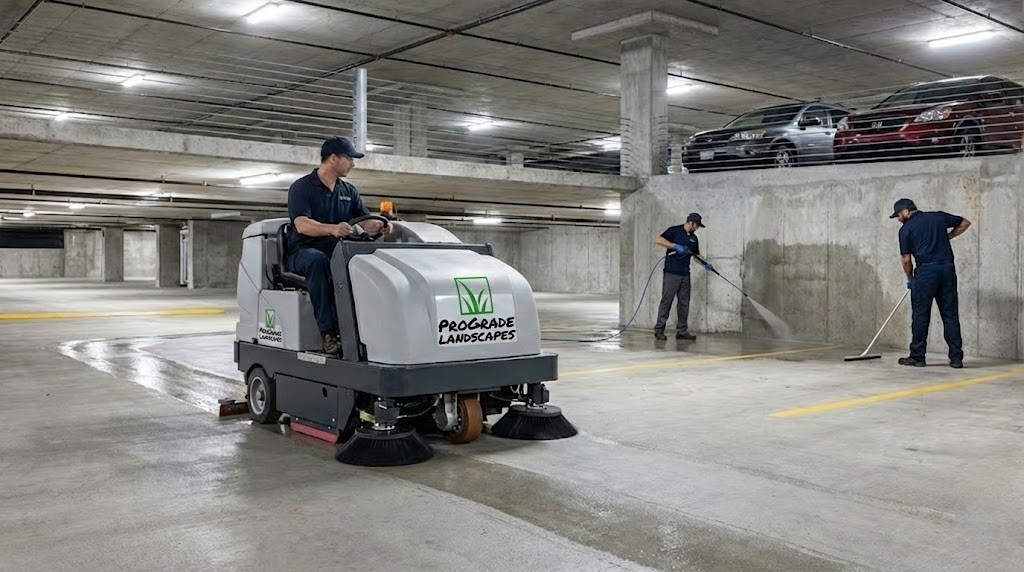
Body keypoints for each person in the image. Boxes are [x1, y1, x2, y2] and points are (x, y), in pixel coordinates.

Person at [285, 136, 389, 354]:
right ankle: (329, 333)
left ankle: (366, 327)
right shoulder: (302, 187)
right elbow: (302, 224)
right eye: (349, 159)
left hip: (337, 251)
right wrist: (332, 229)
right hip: (303, 252)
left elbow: (366, 221)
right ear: (334, 158)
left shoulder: (348, 191)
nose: (353, 164)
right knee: (319, 262)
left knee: (363, 263)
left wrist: (382, 225)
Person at [890, 198, 971, 368]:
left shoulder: (906, 229)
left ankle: (918, 357)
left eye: (898, 215)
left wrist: (910, 278)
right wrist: (948, 236)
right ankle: (956, 358)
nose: (898, 219)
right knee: (950, 315)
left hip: (926, 273)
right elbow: (965, 223)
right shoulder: (938, 217)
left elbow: (906, 259)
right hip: (947, 270)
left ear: (905, 212)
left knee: (920, 315)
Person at [653, 212, 713, 341]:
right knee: (666, 301)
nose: (697, 228)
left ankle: (682, 331)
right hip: (671, 273)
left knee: (684, 303)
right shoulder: (674, 231)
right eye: (696, 225)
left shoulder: (694, 239)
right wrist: (675, 246)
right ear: (691, 222)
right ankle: (659, 330)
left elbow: (696, 255)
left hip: (685, 274)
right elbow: (658, 240)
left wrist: (705, 263)